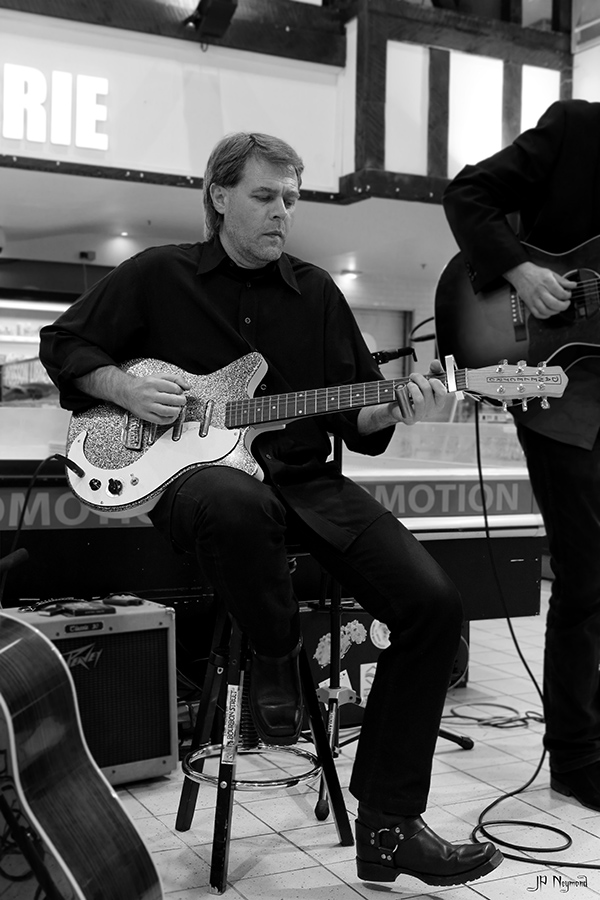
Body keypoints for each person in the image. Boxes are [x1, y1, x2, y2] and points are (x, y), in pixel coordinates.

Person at [40, 131, 502, 886]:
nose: (282, 211)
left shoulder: (314, 292)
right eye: (264, 195)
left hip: (306, 483)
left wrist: (399, 406)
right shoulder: (158, 275)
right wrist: (124, 387)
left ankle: (389, 828)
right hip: (199, 485)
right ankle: (279, 657)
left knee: (435, 605)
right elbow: (63, 344)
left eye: (291, 197)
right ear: (220, 196)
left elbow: (358, 415)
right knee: (238, 503)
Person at [443, 98, 600, 812]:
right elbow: (467, 194)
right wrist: (520, 270)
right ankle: (577, 754)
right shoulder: (578, 128)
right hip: (555, 391)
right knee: (586, 577)